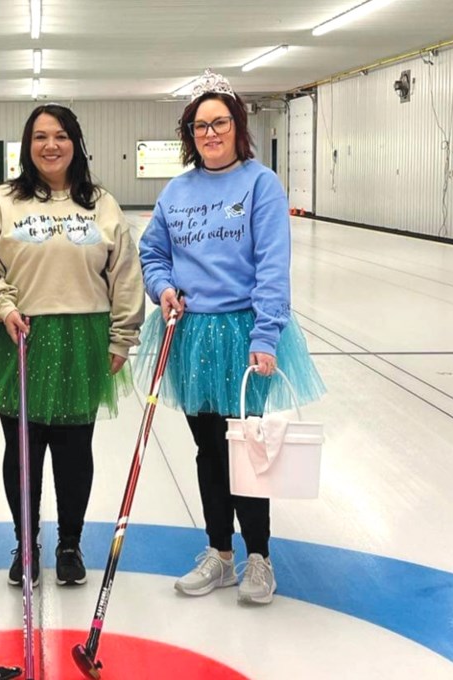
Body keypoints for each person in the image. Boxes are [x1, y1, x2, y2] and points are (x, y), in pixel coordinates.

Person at [136, 70, 326, 605]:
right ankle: (220, 554)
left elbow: (272, 264)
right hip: (192, 333)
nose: (210, 133)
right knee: (207, 449)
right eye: (200, 126)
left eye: (219, 122)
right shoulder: (177, 190)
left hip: (246, 334)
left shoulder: (261, 183)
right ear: (189, 134)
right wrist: (163, 287)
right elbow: (153, 253)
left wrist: (266, 332)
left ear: (237, 125)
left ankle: (259, 558)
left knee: (249, 449)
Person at [0, 103, 144, 587]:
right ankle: (26, 543)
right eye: (40, 136)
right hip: (19, 335)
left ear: (75, 143)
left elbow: (125, 272)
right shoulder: (4, 200)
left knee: (73, 450)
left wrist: (123, 334)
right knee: (21, 450)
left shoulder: (100, 203)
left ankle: (69, 543)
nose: (50, 145)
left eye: (60, 135)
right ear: (27, 146)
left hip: (82, 337)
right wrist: (1, 305)